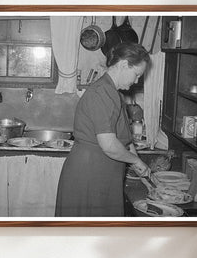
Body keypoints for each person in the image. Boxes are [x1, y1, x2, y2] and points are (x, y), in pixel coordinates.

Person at [55, 42, 151, 217]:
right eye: (136, 74)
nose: (136, 81)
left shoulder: (114, 93)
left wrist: (136, 161)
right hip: (89, 173)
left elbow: (124, 139)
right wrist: (136, 162)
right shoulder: (101, 92)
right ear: (123, 65)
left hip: (103, 173)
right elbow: (109, 145)